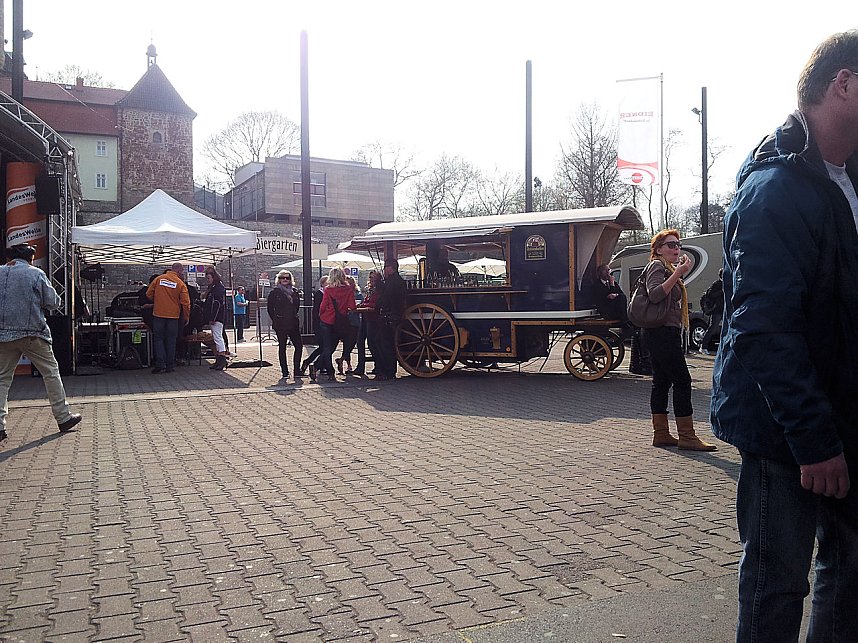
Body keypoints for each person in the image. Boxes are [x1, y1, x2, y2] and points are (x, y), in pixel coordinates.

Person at [711, 31, 858, 642]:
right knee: (777, 586)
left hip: (843, 418)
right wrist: (815, 441)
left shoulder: (848, 178)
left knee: (849, 574)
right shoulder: (774, 192)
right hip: (785, 433)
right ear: (844, 86)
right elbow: (764, 330)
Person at [642, 229, 716, 452]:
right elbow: (655, 293)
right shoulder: (657, 266)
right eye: (671, 245)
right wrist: (679, 273)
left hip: (660, 332)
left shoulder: (666, 268)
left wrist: (679, 272)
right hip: (661, 333)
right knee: (683, 381)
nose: (676, 249)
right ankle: (687, 436)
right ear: (658, 249)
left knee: (662, 382)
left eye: (678, 244)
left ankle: (662, 434)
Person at [0, 244, 82, 442]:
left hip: (3, 335)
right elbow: (53, 302)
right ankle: (63, 418)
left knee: (2, 379)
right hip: (32, 333)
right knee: (50, 373)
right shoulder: (35, 273)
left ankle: (0, 426)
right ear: (30, 258)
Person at [145, 262, 190, 374]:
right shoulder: (180, 284)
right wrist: (186, 316)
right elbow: (186, 302)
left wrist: (157, 300)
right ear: (179, 271)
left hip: (158, 314)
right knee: (171, 340)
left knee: (158, 339)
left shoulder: (159, 279)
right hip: (173, 316)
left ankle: (160, 364)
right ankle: (170, 365)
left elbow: (148, 293)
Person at [317, 267, 357, 382]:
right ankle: (317, 366)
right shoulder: (348, 289)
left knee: (327, 347)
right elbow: (352, 306)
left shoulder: (328, 290)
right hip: (340, 322)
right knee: (342, 343)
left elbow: (323, 306)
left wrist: (321, 315)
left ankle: (330, 373)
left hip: (327, 320)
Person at [374, 258, 407, 381]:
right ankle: (387, 369)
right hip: (394, 314)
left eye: (385, 267)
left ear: (390, 268)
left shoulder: (393, 282)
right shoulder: (397, 281)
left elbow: (386, 297)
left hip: (390, 315)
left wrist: (377, 306)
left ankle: (388, 370)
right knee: (382, 341)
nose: (384, 269)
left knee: (384, 343)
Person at [267, 270, 303, 380]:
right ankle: (285, 371)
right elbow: (270, 308)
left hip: (293, 322)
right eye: (283, 278)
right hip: (281, 323)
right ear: (279, 279)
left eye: (287, 278)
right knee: (282, 347)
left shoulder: (294, 291)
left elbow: (296, 306)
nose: (285, 280)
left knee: (299, 346)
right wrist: (276, 318)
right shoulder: (275, 292)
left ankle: (297, 370)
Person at [589, 264, 630, 337]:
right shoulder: (597, 285)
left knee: (622, 298)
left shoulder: (614, 283)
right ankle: (624, 323)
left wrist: (616, 294)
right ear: (599, 273)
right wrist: (612, 285)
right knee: (619, 298)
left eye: (608, 270)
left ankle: (625, 321)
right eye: (605, 270)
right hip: (605, 310)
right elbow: (609, 296)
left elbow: (621, 295)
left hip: (614, 309)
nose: (608, 272)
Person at [354, 270, 382, 377]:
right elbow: (367, 301)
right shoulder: (370, 289)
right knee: (360, 341)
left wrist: (366, 305)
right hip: (365, 317)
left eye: (373, 277)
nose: (371, 279)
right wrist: (362, 305)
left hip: (373, 318)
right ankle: (361, 366)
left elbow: (376, 302)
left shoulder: (379, 289)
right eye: (370, 277)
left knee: (372, 342)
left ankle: (378, 365)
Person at [300, 275, 328, 378]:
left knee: (324, 347)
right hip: (320, 324)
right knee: (323, 347)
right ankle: (309, 362)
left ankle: (321, 365)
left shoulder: (328, 293)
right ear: (322, 284)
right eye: (327, 282)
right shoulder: (319, 294)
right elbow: (317, 310)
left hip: (325, 323)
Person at [202, 267, 228, 371]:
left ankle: (221, 358)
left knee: (217, 337)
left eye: (208, 278)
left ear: (213, 277)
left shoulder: (217, 289)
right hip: (216, 316)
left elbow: (217, 304)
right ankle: (220, 359)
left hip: (217, 317)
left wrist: (213, 317)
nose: (207, 280)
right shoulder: (216, 287)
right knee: (217, 337)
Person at [336, 276, 361, 374]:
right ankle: (346, 363)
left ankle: (343, 360)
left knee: (351, 343)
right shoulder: (344, 293)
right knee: (347, 343)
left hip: (354, 320)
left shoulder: (357, 294)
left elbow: (359, 303)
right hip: (347, 320)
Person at [698, 269, 723, 355]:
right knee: (712, 328)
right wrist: (722, 291)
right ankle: (703, 346)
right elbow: (710, 295)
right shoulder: (717, 284)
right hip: (717, 310)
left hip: (724, 309)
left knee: (725, 329)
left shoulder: (727, 284)